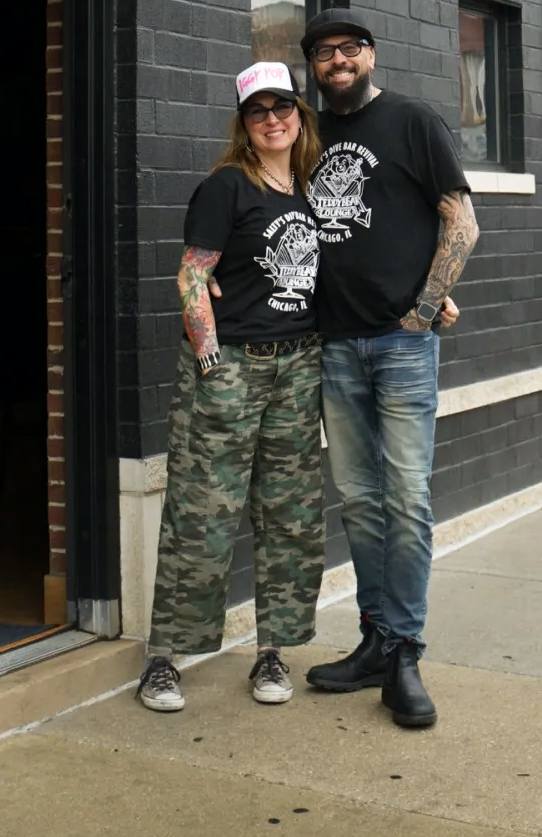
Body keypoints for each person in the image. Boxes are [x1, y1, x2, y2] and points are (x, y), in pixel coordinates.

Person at [302, 9, 479, 731]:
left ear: (370, 55)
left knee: (406, 498)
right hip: (334, 345)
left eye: (349, 48)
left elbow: (461, 220)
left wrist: (426, 306)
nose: (337, 60)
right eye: (323, 52)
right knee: (357, 498)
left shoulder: (413, 120)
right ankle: (375, 637)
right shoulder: (308, 136)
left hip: (402, 346)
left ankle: (405, 650)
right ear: (312, 64)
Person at [137, 62, 325, 714]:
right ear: (243, 123)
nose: (273, 118)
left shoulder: (312, 190)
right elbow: (192, 277)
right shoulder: (226, 187)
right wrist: (211, 360)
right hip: (233, 366)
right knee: (202, 514)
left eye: (283, 107)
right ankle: (165, 659)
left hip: (299, 367)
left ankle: (272, 651)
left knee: (290, 513)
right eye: (258, 110)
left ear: (300, 114)